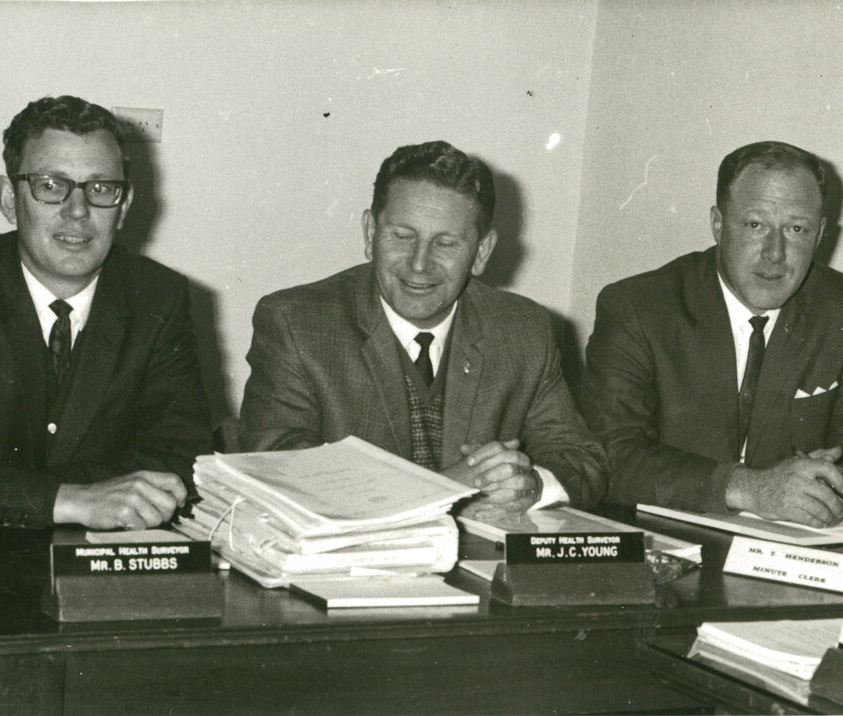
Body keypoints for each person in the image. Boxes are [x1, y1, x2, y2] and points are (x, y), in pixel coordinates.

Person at [0, 95, 212, 530]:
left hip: (99, 558)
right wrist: (66, 499)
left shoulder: (159, 296)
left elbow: (182, 457)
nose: (77, 212)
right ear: (8, 199)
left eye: (100, 189)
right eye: (51, 186)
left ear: (124, 206)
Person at [239, 140, 607, 513]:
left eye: (445, 244)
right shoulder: (296, 324)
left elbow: (582, 459)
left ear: (481, 252)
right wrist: (448, 487)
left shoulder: (523, 330)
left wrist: (530, 485)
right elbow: (279, 471)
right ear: (370, 233)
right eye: (402, 236)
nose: (419, 264)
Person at [582, 140, 843, 527]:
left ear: (820, 234)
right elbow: (609, 455)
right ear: (718, 224)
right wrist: (749, 488)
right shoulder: (638, 307)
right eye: (755, 225)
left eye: (796, 229)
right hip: (666, 534)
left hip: (795, 544)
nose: (775, 253)